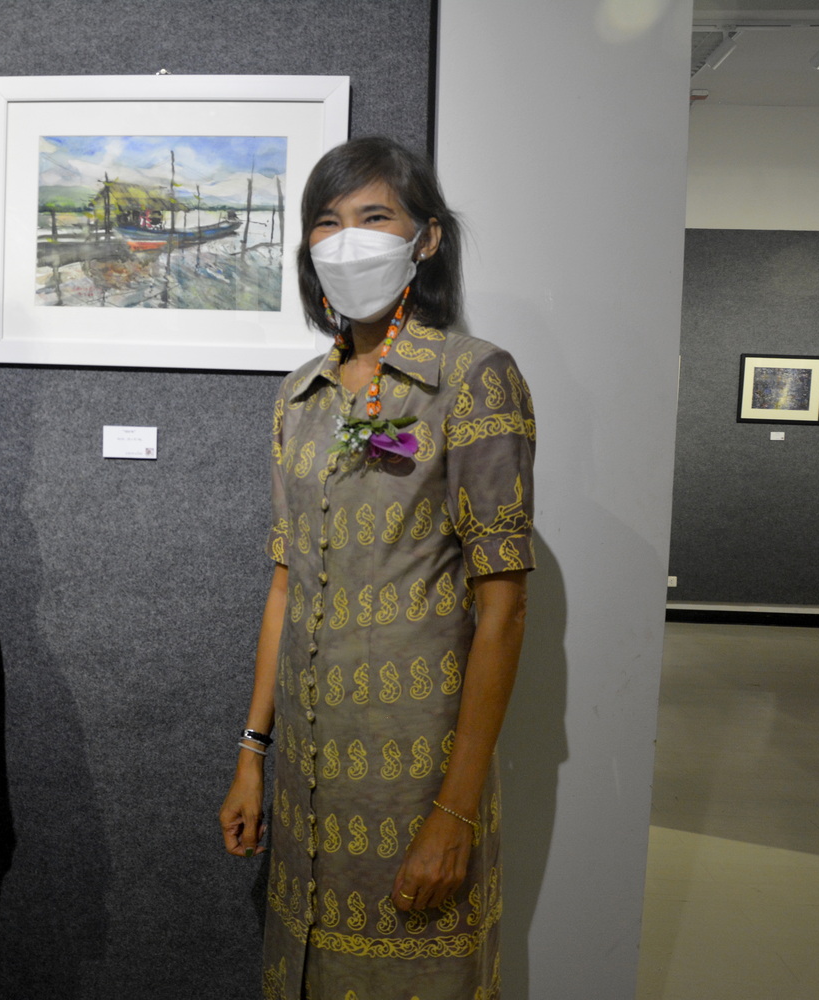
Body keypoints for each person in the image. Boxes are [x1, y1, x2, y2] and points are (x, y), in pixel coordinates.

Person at [219, 136, 535, 1000]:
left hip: (415, 772)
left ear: (425, 238)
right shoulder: (300, 396)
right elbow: (286, 583)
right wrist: (252, 754)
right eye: (327, 222)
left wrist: (455, 813)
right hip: (308, 774)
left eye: (374, 216)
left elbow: (504, 609)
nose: (347, 240)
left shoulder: (472, 380)